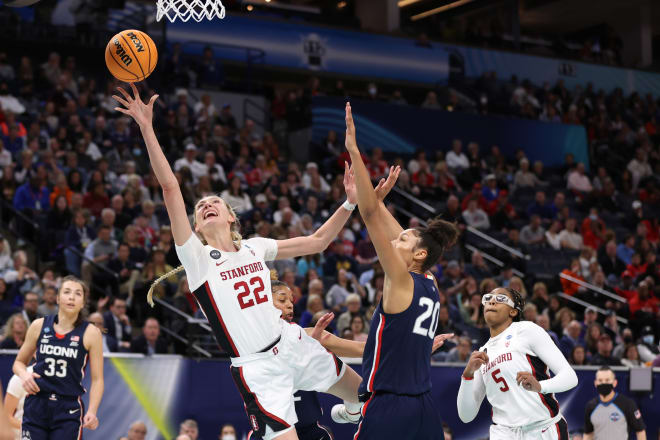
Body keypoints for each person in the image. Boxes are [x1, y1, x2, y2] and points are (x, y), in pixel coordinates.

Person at [114, 84, 367, 440]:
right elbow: (170, 187)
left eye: (214, 201)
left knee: (366, 393)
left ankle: (349, 412)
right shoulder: (197, 258)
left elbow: (317, 241)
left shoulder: (255, 247)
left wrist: (349, 203)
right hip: (258, 369)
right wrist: (146, 127)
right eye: (200, 208)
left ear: (231, 216)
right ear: (197, 227)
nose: (205, 205)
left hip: (293, 342)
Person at [341, 102, 459, 439]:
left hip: (390, 406)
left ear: (419, 253)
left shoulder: (400, 278)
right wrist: (379, 205)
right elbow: (379, 216)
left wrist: (353, 149)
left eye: (404, 239)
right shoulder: (429, 279)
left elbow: (367, 213)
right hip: (423, 405)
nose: (397, 240)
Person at [457, 287, 578, 439]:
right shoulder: (482, 353)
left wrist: (541, 387)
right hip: (503, 433)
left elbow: (570, 377)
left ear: (513, 311)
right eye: (488, 298)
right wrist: (467, 376)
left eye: (500, 298)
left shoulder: (526, 330)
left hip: (543, 429)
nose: (492, 301)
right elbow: (466, 415)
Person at [12, 276, 104, 439]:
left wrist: (92, 411)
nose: (71, 297)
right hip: (37, 403)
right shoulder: (38, 325)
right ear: (58, 298)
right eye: (67, 292)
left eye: (77, 294)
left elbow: (97, 379)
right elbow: (18, 362)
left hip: (67, 408)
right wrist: (24, 375)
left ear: (83, 303)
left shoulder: (91, 333)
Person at [583, 366, 646, 440]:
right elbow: (588, 433)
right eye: (600, 380)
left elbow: (640, 431)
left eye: (607, 380)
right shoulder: (590, 406)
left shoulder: (627, 404)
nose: (603, 383)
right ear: (595, 383)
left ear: (615, 383)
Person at [4, 365, 32, 439]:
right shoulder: (18, 378)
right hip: (22, 435)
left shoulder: (62, 379)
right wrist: (33, 427)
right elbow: (6, 417)